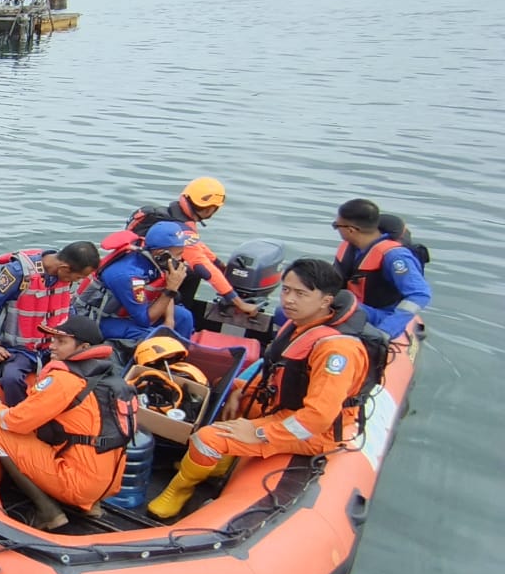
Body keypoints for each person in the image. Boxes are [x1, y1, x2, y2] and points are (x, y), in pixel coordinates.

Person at [148, 258, 371, 519]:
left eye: (300, 294)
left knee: (208, 438)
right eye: (286, 290)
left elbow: (317, 418)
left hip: (315, 431)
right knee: (222, 392)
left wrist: (261, 433)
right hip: (285, 406)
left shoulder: (336, 351)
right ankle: (218, 463)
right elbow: (274, 370)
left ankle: (180, 489)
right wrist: (240, 391)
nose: (289, 300)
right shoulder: (298, 325)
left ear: (326, 301)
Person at [0, 316, 133, 529]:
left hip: (78, 485)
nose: (52, 345)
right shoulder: (111, 378)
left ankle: (48, 512)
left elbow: (16, 421)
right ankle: (91, 506)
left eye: (61, 341)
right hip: (107, 485)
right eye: (53, 340)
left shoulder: (64, 380)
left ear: (84, 347)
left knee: (0, 432)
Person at [0, 241, 99, 405]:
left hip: (54, 346)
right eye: (78, 278)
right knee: (12, 379)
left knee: (88, 369)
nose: (77, 282)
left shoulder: (64, 277)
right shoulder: (18, 273)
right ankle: (17, 415)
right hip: (21, 350)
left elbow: (66, 308)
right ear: (65, 269)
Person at [126, 177, 259, 317]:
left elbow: (198, 247)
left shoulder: (167, 216)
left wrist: (221, 266)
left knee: (189, 271)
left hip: (137, 267)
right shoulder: (182, 228)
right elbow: (204, 268)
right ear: (210, 209)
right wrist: (239, 302)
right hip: (143, 281)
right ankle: (180, 313)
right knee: (192, 274)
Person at [78, 221, 195, 342]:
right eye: (178, 254)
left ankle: (180, 350)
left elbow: (163, 286)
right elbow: (145, 321)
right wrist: (171, 289)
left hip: (130, 309)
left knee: (184, 317)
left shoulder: (157, 258)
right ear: (161, 253)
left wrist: (169, 322)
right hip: (97, 319)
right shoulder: (129, 276)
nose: (181, 260)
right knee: (151, 336)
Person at [332, 198, 430, 340]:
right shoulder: (351, 249)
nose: (336, 229)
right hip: (354, 304)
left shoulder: (395, 256)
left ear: (350, 230)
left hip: (380, 315)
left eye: (336, 226)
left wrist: (385, 331)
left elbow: (420, 294)